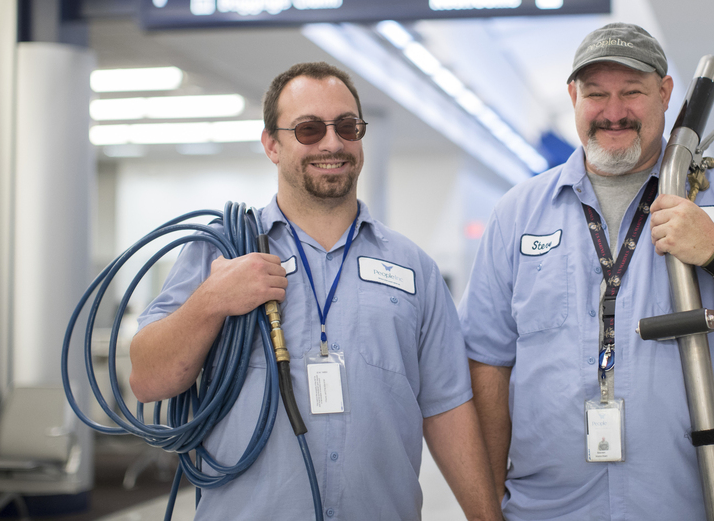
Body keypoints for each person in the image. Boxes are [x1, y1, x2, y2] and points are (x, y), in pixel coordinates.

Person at [458, 23, 714, 520]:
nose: (613, 112)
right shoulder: (518, 213)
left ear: (666, 93)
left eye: (632, 92)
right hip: (548, 510)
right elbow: (487, 364)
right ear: (573, 97)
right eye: (596, 94)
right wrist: (486, 512)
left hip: (698, 505)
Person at [129, 62, 501, 521]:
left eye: (347, 126)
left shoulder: (414, 268)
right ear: (272, 144)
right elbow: (148, 380)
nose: (332, 143)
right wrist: (212, 300)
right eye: (308, 129)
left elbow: (447, 407)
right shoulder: (220, 252)